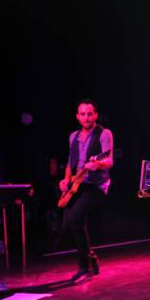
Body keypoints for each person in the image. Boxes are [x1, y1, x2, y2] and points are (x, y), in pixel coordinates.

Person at [59, 99, 113, 283]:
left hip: (96, 185)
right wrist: (66, 180)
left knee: (75, 218)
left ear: (96, 115)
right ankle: (90, 256)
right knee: (69, 222)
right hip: (77, 183)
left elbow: (109, 160)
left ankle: (84, 268)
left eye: (90, 114)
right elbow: (69, 163)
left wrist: (96, 164)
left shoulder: (104, 134)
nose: (86, 117)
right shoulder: (73, 136)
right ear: (77, 116)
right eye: (82, 114)